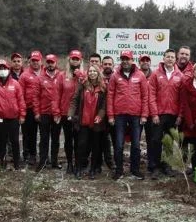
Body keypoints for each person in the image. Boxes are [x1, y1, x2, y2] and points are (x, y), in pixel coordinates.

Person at [107, 50, 149, 180]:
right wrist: (110, 115)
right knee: (119, 144)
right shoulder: (115, 76)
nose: (125, 61)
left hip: (136, 115)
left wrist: (144, 114)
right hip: (119, 115)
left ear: (132, 60)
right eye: (123, 59)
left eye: (128, 59)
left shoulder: (140, 75)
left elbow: (145, 96)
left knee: (136, 144)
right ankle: (119, 170)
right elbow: (110, 96)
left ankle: (135, 170)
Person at [147, 49, 184, 178]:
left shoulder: (180, 76)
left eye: (172, 57)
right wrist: (154, 114)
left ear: (175, 60)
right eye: (167, 56)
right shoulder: (156, 74)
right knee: (156, 140)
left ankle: (167, 166)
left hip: (173, 114)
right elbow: (151, 95)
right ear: (163, 58)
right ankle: (154, 167)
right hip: (159, 114)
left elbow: (182, 98)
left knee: (169, 141)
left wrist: (180, 115)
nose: (170, 59)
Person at [68, 65, 107, 179]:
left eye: (95, 71)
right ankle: (79, 168)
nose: (92, 73)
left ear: (98, 73)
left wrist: (100, 116)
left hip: (96, 123)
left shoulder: (103, 87)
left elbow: (104, 105)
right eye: (90, 71)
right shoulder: (82, 85)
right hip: (83, 121)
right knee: (81, 145)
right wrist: (70, 114)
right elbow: (74, 100)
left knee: (96, 147)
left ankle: (93, 169)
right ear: (87, 73)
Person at [0, 59, 26, 170]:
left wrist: (22, 115)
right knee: (2, 141)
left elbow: (21, 101)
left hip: (14, 118)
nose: (2, 70)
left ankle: (16, 163)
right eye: (0, 69)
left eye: (5, 68)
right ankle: (2, 162)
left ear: (8, 70)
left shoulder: (15, 84)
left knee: (15, 141)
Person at [35, 54, 62, 171]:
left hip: (57, 113)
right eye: (49, 62)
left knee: (56, 139)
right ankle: (43, 161)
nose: (50, 64)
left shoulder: (61, 76)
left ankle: (55, 161)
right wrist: (37, 112)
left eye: (52, 62)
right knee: (44, 138)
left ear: (56, 63)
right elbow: (35, 97)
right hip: (44, 112)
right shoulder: (40, 77)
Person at [59, 50, 84, 174]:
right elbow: (57, 95)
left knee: (79, 140)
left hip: (80, 114)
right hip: (65, 113)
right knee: (68, 140)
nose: (75, 61)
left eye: (77, 59)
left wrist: (80, 75)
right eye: (73, 59)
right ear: (69, 60)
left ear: (80, 61)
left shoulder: (84, 75)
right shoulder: (62, 75)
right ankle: (69, 163)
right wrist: (57, 112)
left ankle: (78, 164)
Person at [20, 50, 43, 165]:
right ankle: (29, 154)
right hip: (29, 108)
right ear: (30, 61)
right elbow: (20, 95)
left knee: (44, 134)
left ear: (41, 60)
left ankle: (44, 156)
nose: (35, 63)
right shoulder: (24, 75)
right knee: (29, 134)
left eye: (37, 60)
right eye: (33, 61)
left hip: (43, 108)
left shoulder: (45, 73)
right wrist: (22, 111)